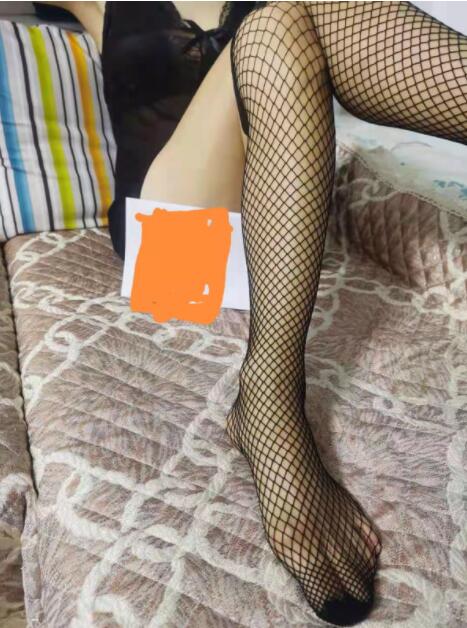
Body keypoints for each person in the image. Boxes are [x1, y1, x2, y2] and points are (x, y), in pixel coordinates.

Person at [40, 2, 467, 626]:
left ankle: (265, 395)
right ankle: (268, 399)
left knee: (272, 26)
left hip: (284, 244)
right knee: (273, 23)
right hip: (174, 254)